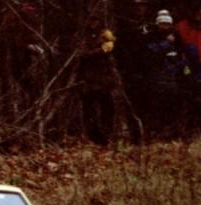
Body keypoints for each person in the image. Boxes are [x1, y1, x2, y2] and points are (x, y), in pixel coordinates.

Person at [0, 2, 46, 116]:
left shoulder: (20, 19)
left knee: (27, 88)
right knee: (17, 89)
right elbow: (19, 41)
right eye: (29, 7)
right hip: (11, 61)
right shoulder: (16, 19)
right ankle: (14, 116)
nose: (31, 10)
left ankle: (24, 114)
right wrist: (38, 50)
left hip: (17, 61)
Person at [143, 10, 189, 139]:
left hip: (174, 79)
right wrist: (166, 44)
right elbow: (150, 55)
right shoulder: (150, 36)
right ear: (158, 24)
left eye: (167, 24)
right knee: (156, 108)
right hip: (156, 78)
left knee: (173, 108)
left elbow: (183, 55)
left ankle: (173, 134)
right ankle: (155, 133)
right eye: (162, 24)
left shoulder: (177, 37)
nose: (165, 27)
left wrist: (182, 67)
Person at [75, 12, 118, 146]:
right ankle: (94, 137)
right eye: (91, 20)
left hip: (104, 79)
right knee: (89, 110)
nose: (93, 23)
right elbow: (82, 54)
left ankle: (107, 135)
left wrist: (103, 49)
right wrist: (100, 51)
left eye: (96, 20)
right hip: (88, 79)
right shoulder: (82, 35)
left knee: (108, 108)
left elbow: (110, 49)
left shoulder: (105, 34)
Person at [116, 0, 154, 143]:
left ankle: (147, 134)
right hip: (130, 71)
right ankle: (135, 136)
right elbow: (120, 49)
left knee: (147, 104)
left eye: (143, 5)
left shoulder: (149, 25)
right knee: (132, 104)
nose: (140, 9)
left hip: (147, 72)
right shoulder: (124, 25)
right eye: (137, 6)